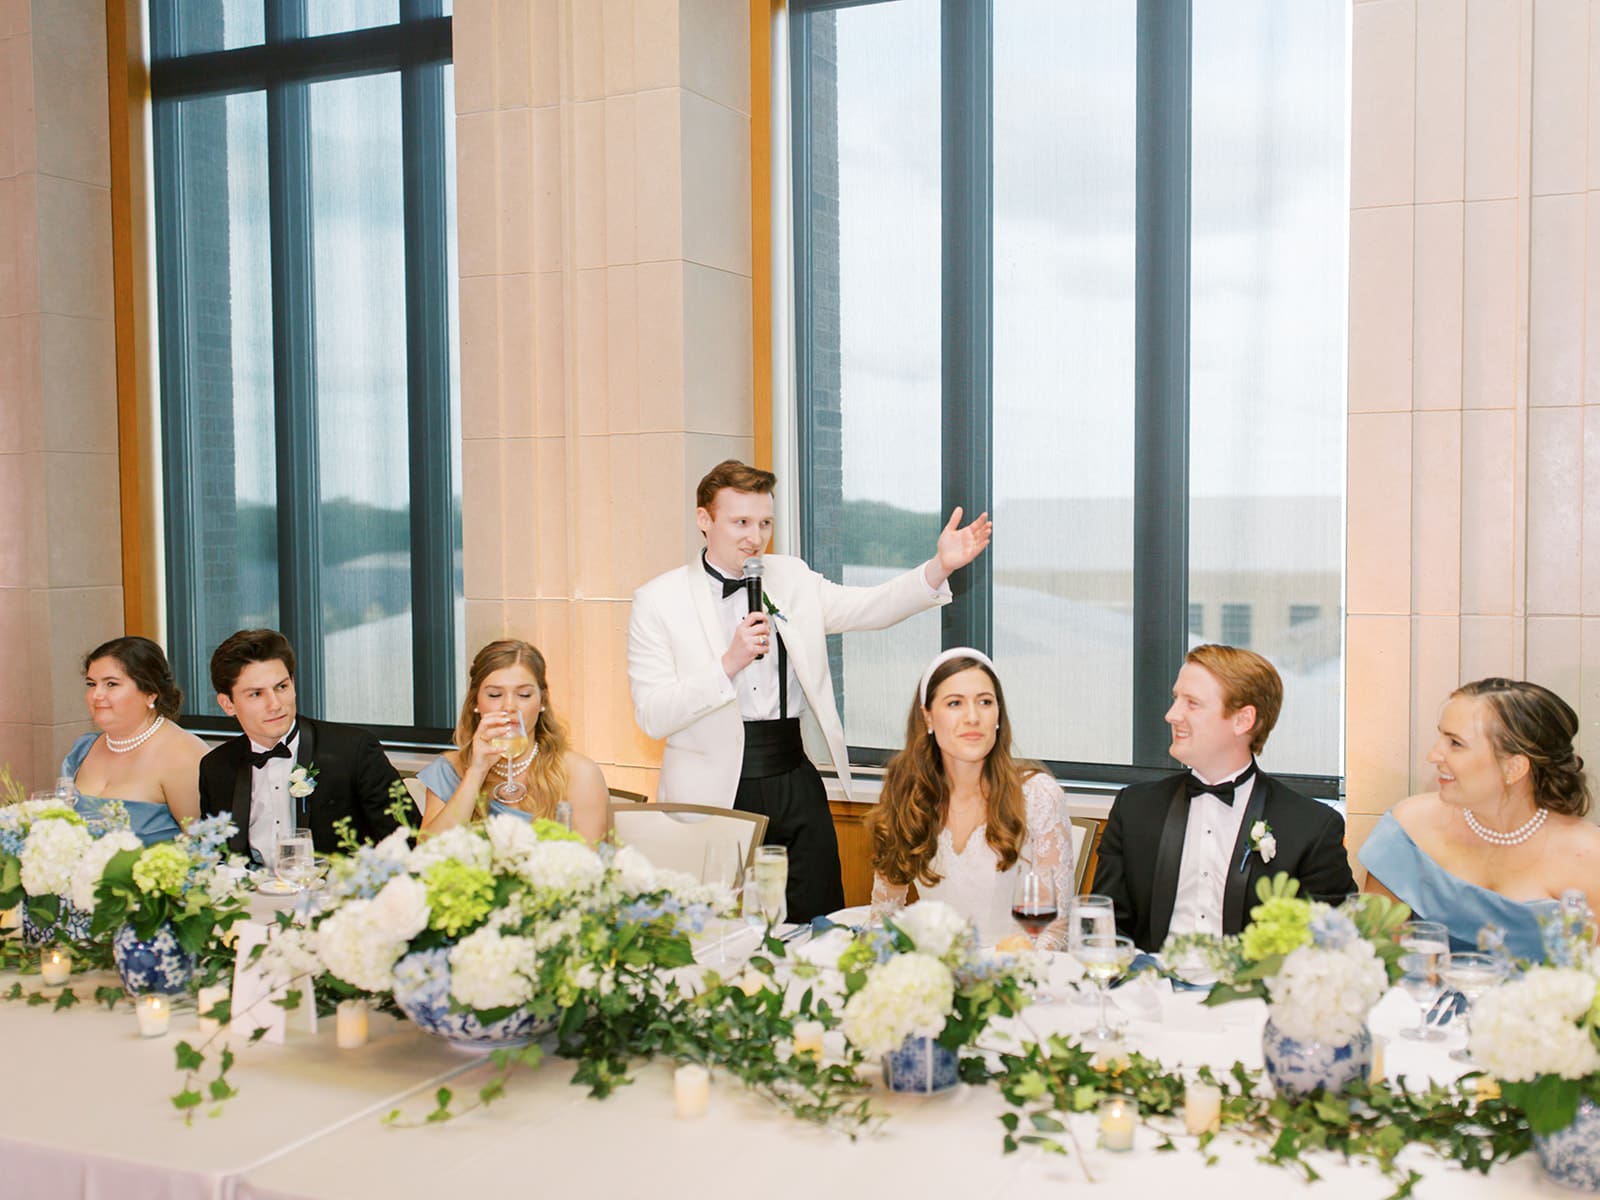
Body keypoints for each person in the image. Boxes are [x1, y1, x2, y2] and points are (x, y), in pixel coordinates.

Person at [627, 459, 992, 923]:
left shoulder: (791, 577)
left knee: (818, 923)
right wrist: (728, 664)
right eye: (740, 522)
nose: (754, 537)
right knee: (717, 932)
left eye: (764, 524)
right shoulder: (659, 600)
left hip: (793, 775)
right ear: (705, 520)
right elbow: (652, 715)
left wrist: (939, 567)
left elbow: (869, 607)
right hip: (712, 792)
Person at [1092, 644, 1355, 953]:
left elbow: (1334, 946)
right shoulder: (1135, 808)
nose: (1171, 715)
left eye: (1191, 703)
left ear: (1243, 720)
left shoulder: (1311, 827)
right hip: (1148, 990)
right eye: (1175, 699)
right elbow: (1105, 927)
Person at [1361, 678, 1600, 962]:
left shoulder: (1588, 856)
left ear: (1514, 767)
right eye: (1441, 737)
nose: (1433, 755)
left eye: (1455, 743)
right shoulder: (1408, 829)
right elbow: (1379, 959)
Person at [868, 649, 1075, 948]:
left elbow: (1054, 931)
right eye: (955, 703)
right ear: (927, 716)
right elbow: (883, 918)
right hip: (937, 979)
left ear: (999, 715)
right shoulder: (906, 794)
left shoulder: (1038, 795)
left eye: (985, 702)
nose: (973, 717)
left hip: (1016, 980)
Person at [198, 629, 402, 862]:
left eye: (281, 687)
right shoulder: (215, 767)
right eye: (256, 694)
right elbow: (216, 858)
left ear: (293, 684)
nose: (274, 704)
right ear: (227, 704)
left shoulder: (352, 750)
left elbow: (403, 840)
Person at [416, 639, 610, 845]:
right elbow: (427, 855)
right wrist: (476, 772)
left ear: (542, 701)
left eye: (524, 694)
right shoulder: (448, 770)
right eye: (495, 694)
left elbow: (590, 865)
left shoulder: (579, 773)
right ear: (475, 702)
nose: (509, 706)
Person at [64, 636, 207, 844]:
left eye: (111, 684)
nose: (96, 694)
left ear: (150, 694)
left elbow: (205, 846)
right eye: (91, 684)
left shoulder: (183, 755)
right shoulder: (83, 748)